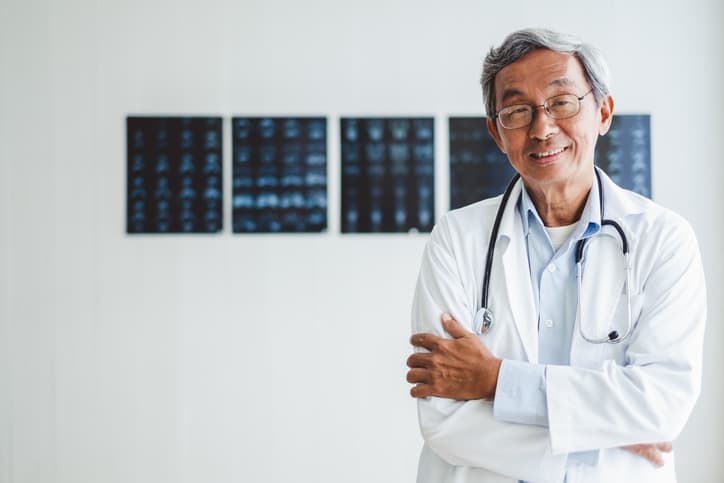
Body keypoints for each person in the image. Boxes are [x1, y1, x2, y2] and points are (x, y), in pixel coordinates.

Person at [405, 28, 706, 483]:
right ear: (496, 132)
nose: (542, 128)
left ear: (603, 112)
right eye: (517, 111)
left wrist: (495, 380)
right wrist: (603, 435)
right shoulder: (457, 238)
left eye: (562, 103)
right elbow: (445, 421)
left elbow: (660, 405)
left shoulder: (665, 239)